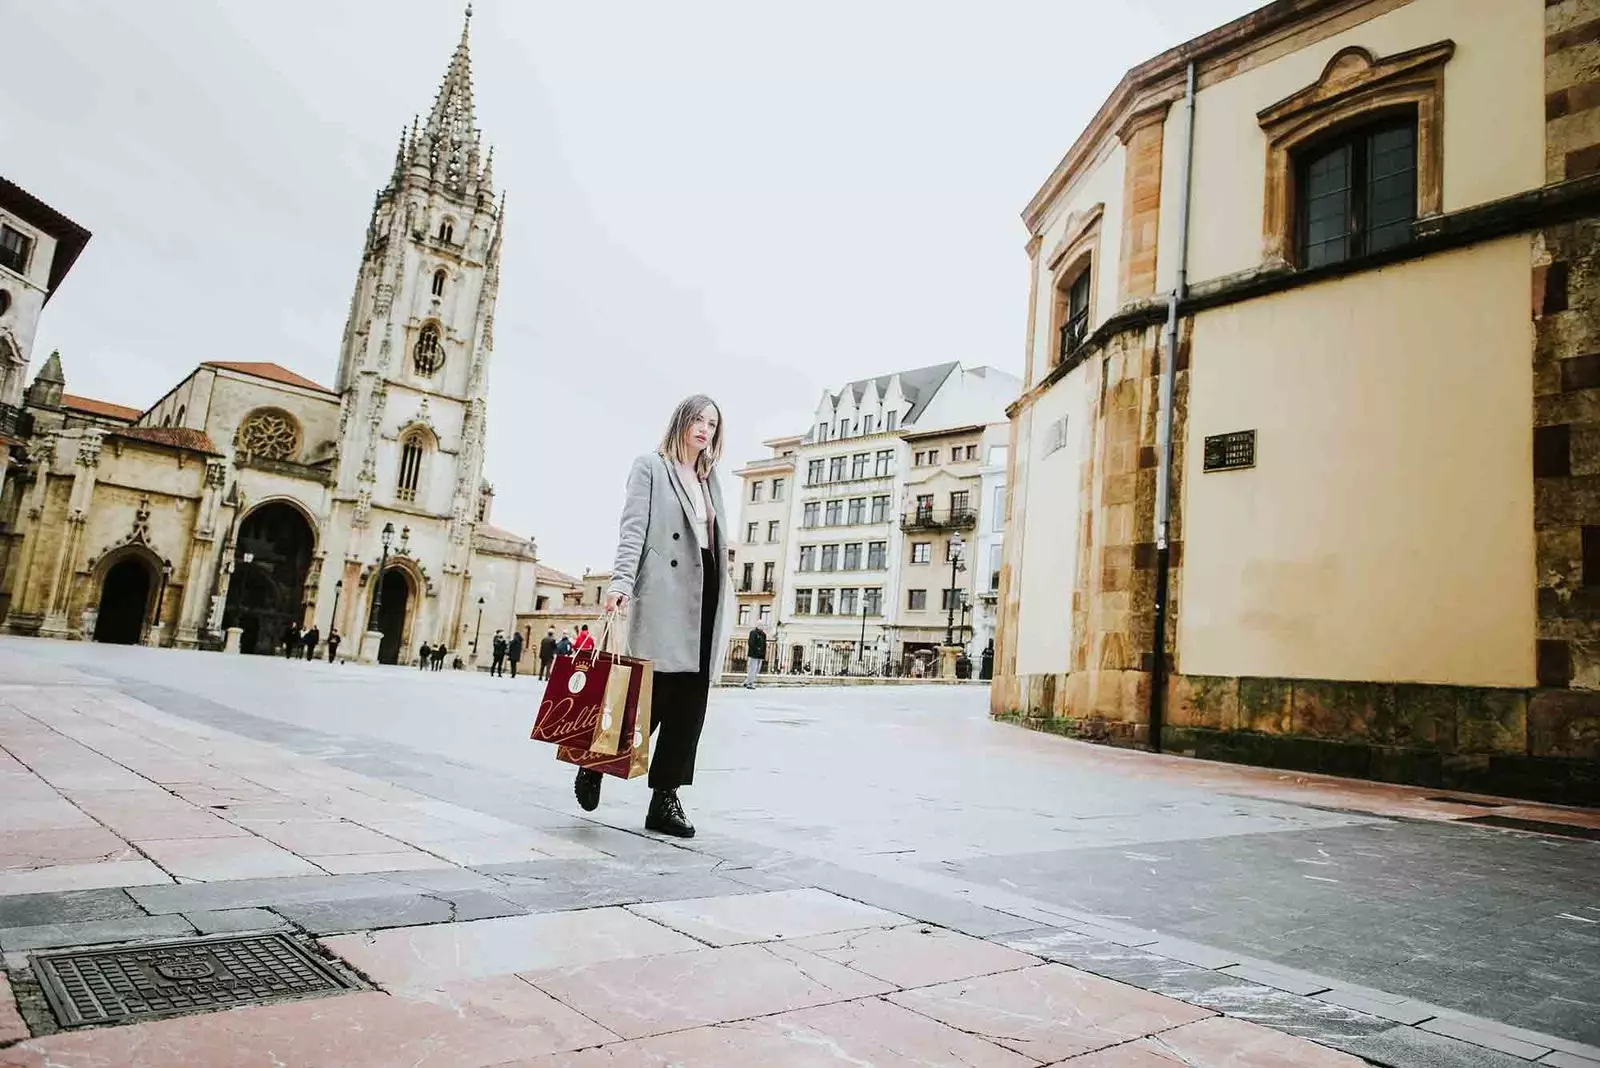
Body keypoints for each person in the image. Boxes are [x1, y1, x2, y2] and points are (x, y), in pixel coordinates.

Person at [575, 394, 731, 839]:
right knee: (648, 696)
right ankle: (595, 762)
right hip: (664, 592)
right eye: (698, 420)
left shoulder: (709, 477)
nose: (705, 429)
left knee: (690, 701)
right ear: (681, 422)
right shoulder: (651, 466)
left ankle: (665, 798)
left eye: (713, 424)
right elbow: (633, 528)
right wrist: (621, 583)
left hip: (706, 592)